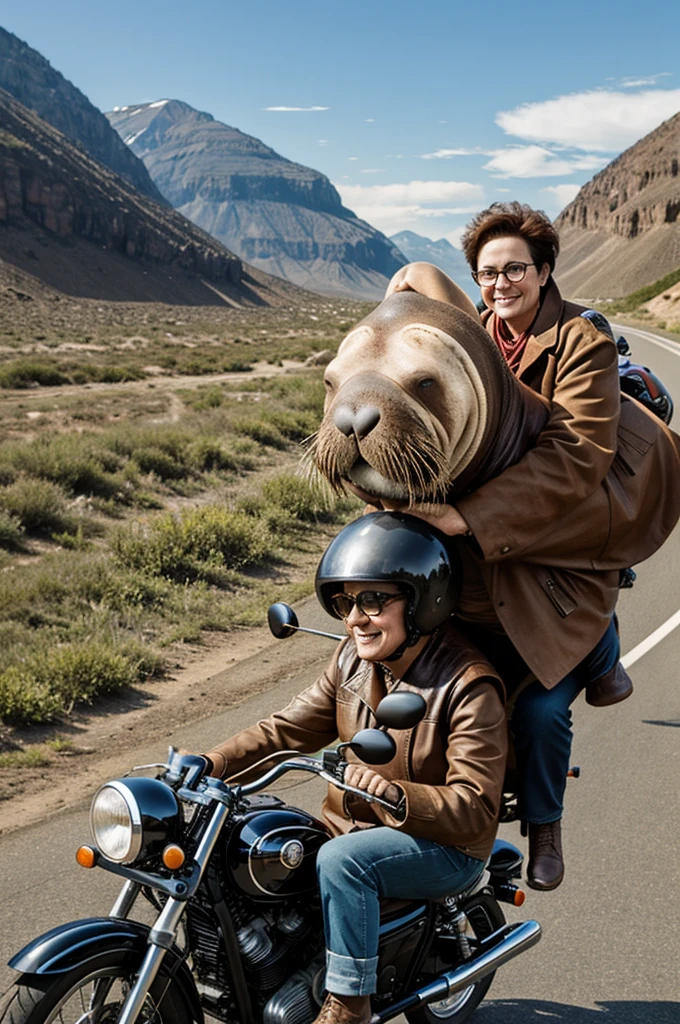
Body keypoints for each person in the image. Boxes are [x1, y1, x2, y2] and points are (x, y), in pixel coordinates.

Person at [384, 202, 637, 890]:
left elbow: (574, 456)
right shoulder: (473, 337)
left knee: (540, 710)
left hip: (556, 544)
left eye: (515, 270)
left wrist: (471, 517)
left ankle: (546, 823)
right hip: (477, 555)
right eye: (489, 273)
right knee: (444, 685)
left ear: (545, 271)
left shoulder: (579, 342)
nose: (502, 284)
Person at [201, 512, 507, 1024]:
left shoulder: (469, 685)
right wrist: (208, 763)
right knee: (246, 839)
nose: (354, 619)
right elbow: (284, 730)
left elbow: (475, 808)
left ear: (421, 598)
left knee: (345, 862)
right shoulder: (351, 661)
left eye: (372, 601)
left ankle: (350, 1004)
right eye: (346, 602)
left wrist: (396, 794)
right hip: (350, 827)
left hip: (446, 847)